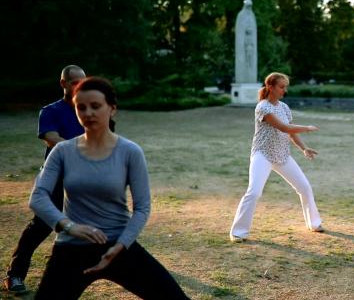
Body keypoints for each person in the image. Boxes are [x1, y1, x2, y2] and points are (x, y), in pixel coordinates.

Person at [28, 77, 190, 300]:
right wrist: (69, 226)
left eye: (96, 106)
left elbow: (142, 207)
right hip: (71, 249)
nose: (88, 113)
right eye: (81, 107)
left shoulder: (130, 151)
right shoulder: (63, 151)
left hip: (118, 246)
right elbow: (38, 196)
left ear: (112, 109)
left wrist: (122, 245)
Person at [4, 65, 86, 294]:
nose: (79, 85)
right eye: (74, 82)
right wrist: (81, 149)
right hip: (56, 176)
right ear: (63, 84)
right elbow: (51, 138)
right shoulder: (50, 111)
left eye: (83, 81)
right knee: (41, 226)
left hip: (84, 178)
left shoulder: (89, 109)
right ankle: (14, 275)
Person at [230, 72, 323, 243]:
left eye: (285, 87)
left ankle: (315, 223)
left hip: (282, 156)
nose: (284, 90)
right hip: (262, 155)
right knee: (254, 192)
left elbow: (290, 133)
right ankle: (238, 232)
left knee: (305, 187)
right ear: (270, 87)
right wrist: (307, 128)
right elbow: (284, 127)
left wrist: (304, 148)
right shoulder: (262, 107)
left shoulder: (284, 107)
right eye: (281, 87)